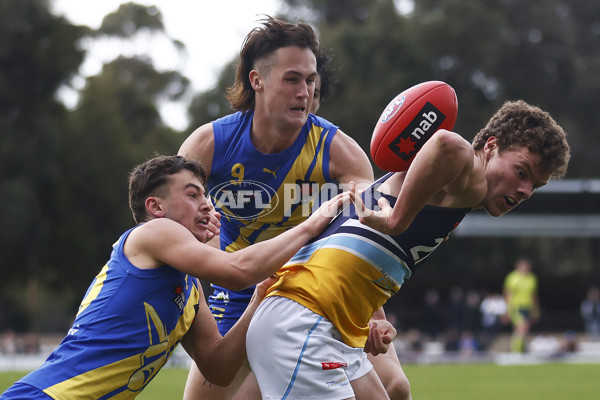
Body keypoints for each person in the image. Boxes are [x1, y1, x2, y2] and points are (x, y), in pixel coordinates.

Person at [246, 100, 570, 399]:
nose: (525, 190)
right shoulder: (468, 173)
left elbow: (360, 254)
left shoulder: (450, 191)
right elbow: (447, 142)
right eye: (522, 172)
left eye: (535, 186)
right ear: (491, 146)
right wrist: (396, 221)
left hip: (322, 322)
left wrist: (374, 316)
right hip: (301, 321)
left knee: (397, 389)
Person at [179, 16, 410, 400]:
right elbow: (172, 231)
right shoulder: (208, 145)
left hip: (312, 289)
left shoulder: (340, 152)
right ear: (257, 81)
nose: (304, 91)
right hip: (236, 290)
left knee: (395, 387)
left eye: (310, 80)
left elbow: (368, 241)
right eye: (292, 79)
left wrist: (373, 313)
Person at [0, 155, 349, 400]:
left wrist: (258, 300)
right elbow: (238, 271)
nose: (207, 205)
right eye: (192, 194)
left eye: (206, 195)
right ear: (156, 208)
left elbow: (218, 369)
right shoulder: (153, 233)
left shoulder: (189, 289)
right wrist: (311, 224)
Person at [503, 257, 540, 353]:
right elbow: (508, 294)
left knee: (521, 329)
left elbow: (534, 295)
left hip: (527, 307)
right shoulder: (512, 277)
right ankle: (516, 350)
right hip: (516, 307)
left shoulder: (532, 278)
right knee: (523, 326)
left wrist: (535, 309)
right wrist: (507, 309)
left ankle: (521, 348)